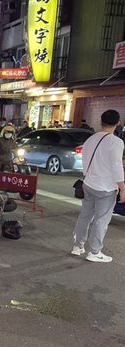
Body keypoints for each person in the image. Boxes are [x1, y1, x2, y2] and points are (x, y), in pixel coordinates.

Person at [72, 110, 125, 263]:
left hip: (89, 184)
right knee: (101, 220)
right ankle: (94, 251)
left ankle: (78, 246)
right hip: (106, 188)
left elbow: (85, 161)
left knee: (85, 216)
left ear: (101, 122)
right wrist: (122, 188)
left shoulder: (90, 139)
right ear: (118, 123)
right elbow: (116, 166)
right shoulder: (115, 142)